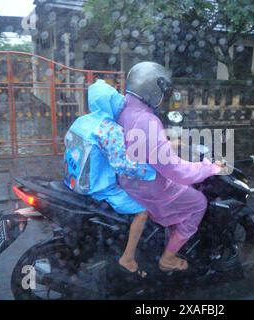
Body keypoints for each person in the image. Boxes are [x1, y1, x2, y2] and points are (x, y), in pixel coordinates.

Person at [118, 62, 225, 272]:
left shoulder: (124, 110)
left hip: (128, 180)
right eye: (162, 91)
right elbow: (177, 170)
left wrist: (170, 144)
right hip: (147, 187)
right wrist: (209, 168)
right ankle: (168, 258)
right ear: (153, 89)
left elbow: (138, 145)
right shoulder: (147, 120)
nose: (163, 97)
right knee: (198, 202)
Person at [63, 78, 156, 277]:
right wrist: (150, 171)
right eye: (115, 100)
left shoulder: (83, 121)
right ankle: (128, 258)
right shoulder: (109, 129)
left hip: (72, 182)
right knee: (143, 211)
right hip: (99, 189)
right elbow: (122, 165)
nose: (120, 103)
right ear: (109, 102)